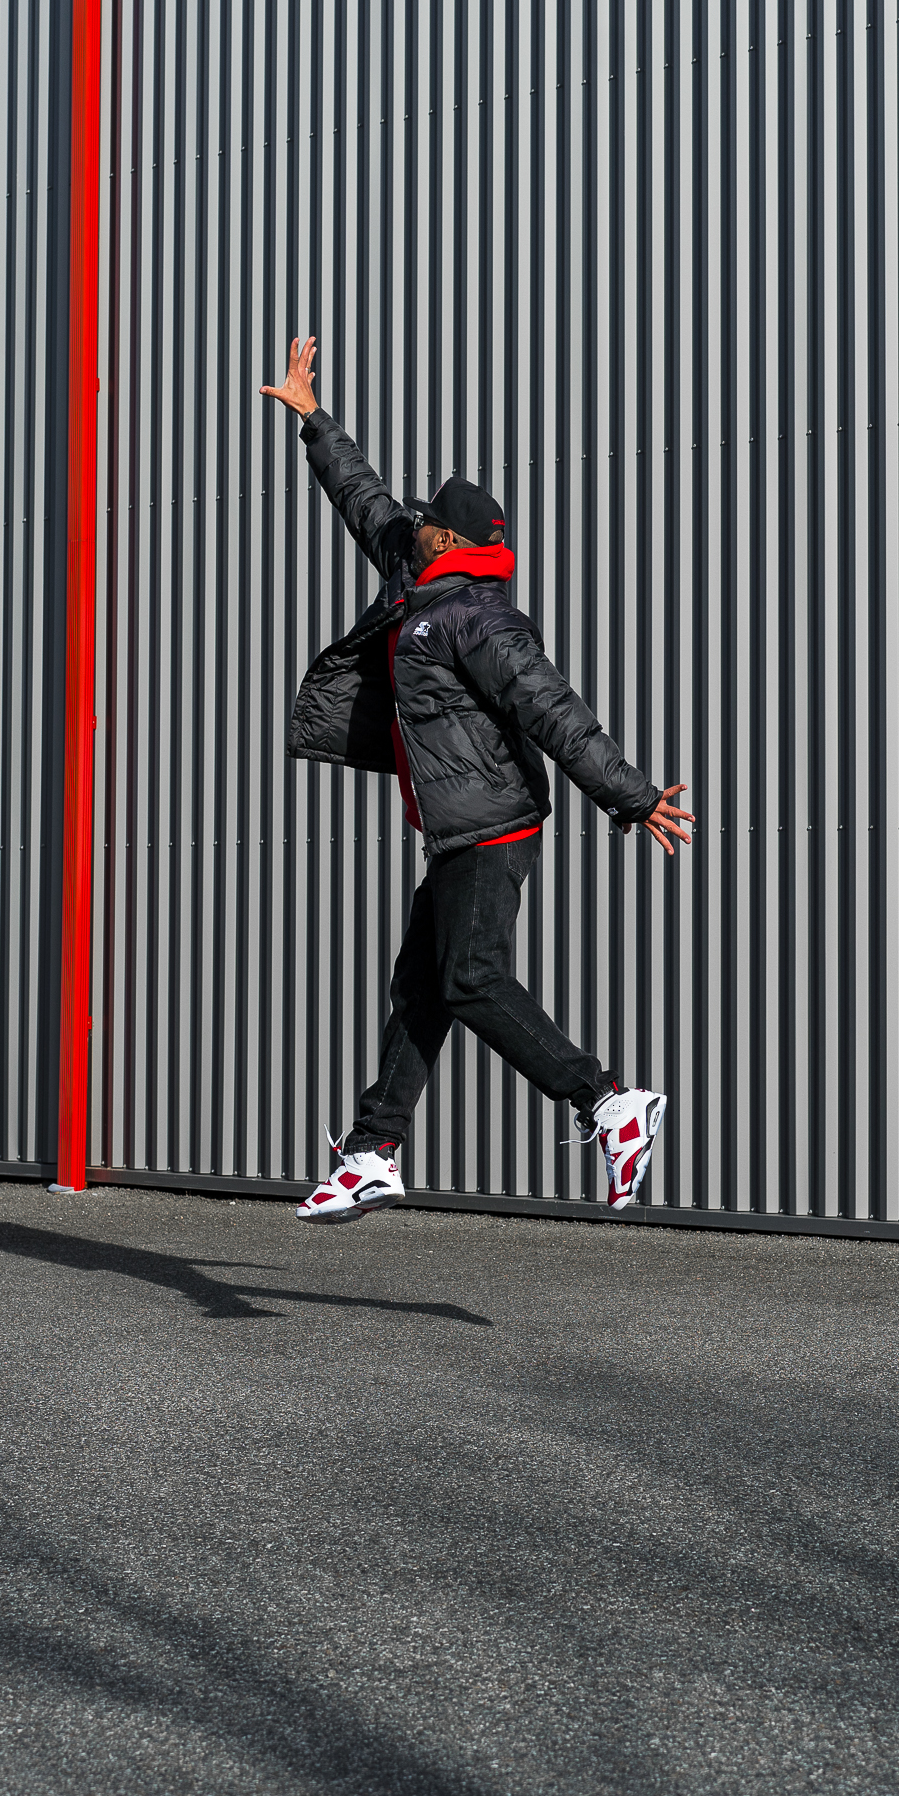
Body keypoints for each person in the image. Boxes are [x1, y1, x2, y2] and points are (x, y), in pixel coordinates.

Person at [261, 337, 693, 1223]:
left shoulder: (475, 616)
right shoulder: (421, 580)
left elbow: (554, 710)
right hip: (457, 827)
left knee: (468, 979)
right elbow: (365, 501)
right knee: (420, 984)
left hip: (491, 827)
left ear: (449, 539)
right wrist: (312, 419)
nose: (407, 523)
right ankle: (374, 1149)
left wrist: (632, 796)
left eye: (426, 520)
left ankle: (606, 1101)